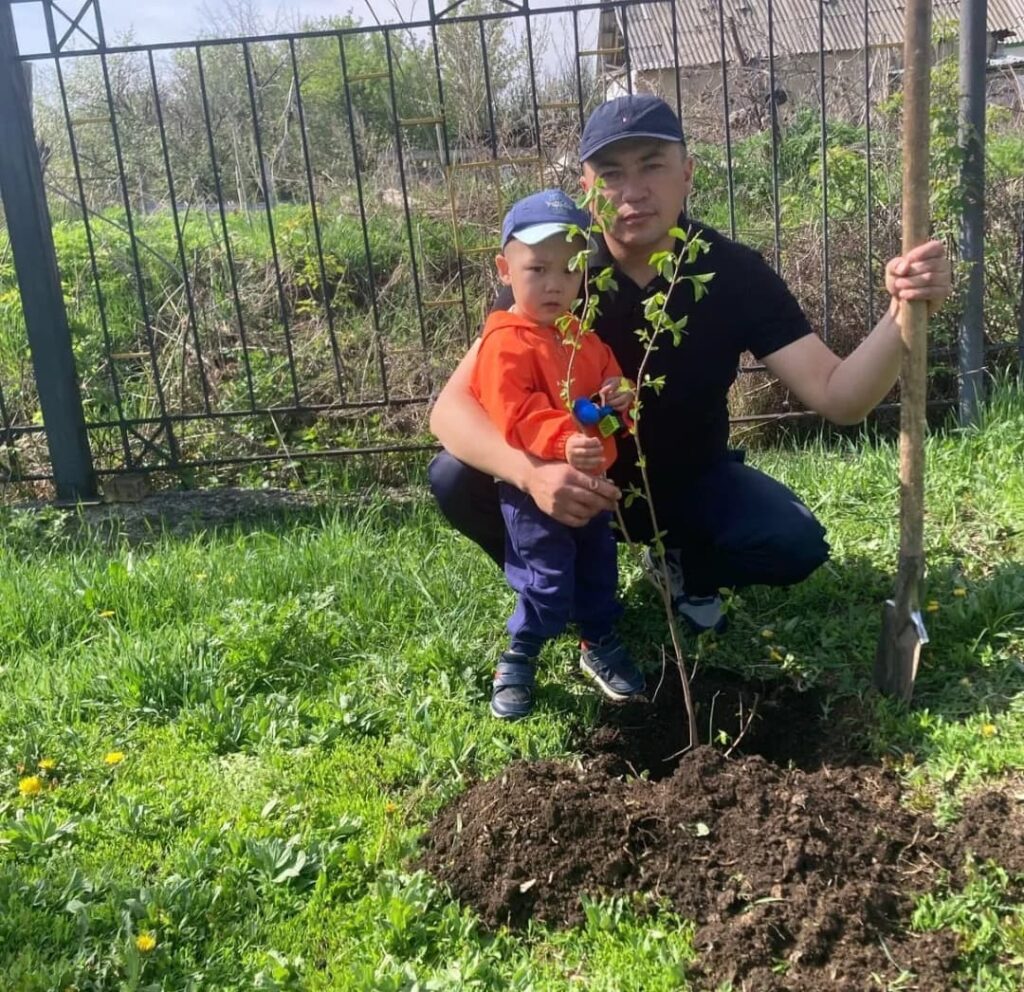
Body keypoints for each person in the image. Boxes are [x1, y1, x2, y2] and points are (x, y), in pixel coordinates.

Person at [429, 94, 952, 636]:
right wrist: (532, 475)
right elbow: (450, 410)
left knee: (792, 542)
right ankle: (559, 579)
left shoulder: (731, 273)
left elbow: (840, 397)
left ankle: (684, 565)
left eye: (652, 165)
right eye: (611, 174)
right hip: (575, 479)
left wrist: (903, 313)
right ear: (587, 189)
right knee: (454, 476)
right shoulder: (557, 272)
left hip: (690, 484)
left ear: (687, 173)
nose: (633, 192)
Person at [473, 189, 645, 720]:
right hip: (535, 493)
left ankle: (597, 639)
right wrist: (563, 439)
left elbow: (610, 389)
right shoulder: (504, 343)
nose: (554, 284)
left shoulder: (582, 338)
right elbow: (514, 411)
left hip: (591, 484)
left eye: (569, 270)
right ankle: (519, 655)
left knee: (598, 565)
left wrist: (620, 397)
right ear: (505, 270)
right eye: (537, 269)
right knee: (545, 577)